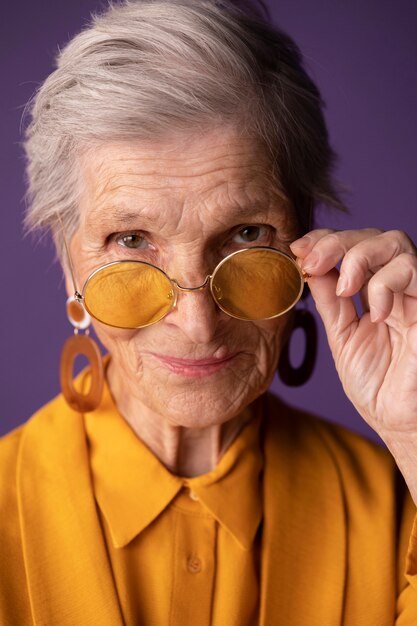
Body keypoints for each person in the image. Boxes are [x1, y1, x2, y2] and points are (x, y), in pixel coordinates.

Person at [1, 0, 417, 623]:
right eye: (132, 241)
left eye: (247, 234)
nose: (198, 322)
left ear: (309, 245)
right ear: (69, 260)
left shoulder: (399, 503)